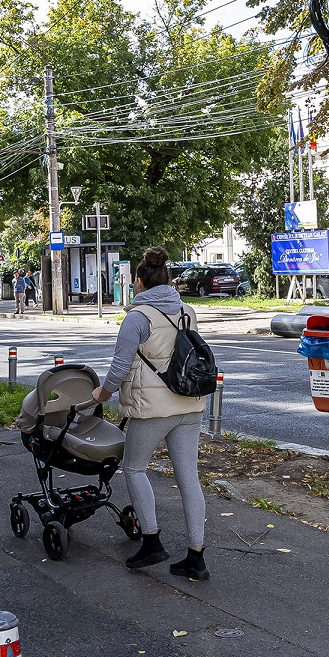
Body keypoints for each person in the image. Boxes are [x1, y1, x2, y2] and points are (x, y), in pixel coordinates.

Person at [92, 246, 208, 580]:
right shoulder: (187, 311)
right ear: (168, 280)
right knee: (188, 478)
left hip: (153, 409)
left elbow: (119, 368)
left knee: (133, 468)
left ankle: (152, 541)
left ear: (140, 283)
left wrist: (102, 393)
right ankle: (196, 558)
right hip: (189, 403)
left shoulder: (137, 318)